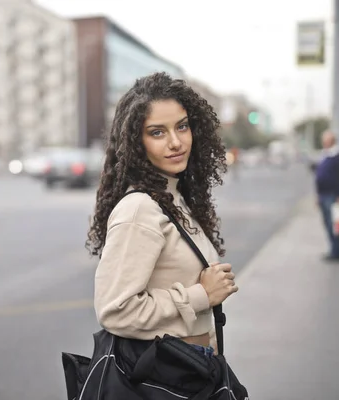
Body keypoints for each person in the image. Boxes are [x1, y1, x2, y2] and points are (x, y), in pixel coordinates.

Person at [86, 72, 238, 356]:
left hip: (194, 372)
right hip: (165, 382)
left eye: (182, 127)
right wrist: (201, 296)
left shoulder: (173, 197)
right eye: (157, 132)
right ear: (136, 142)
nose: (176, 142)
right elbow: (115, 311)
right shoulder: (139, 210)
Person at [315, 130, 339, 262]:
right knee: (327, 224)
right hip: (324, 194)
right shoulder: (325, 155)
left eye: (326, 140)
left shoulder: (338, 156)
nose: (324, 142)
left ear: (331, 141)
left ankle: (336, 252)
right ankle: (333, 249)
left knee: (334, 225)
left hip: (334, 195)